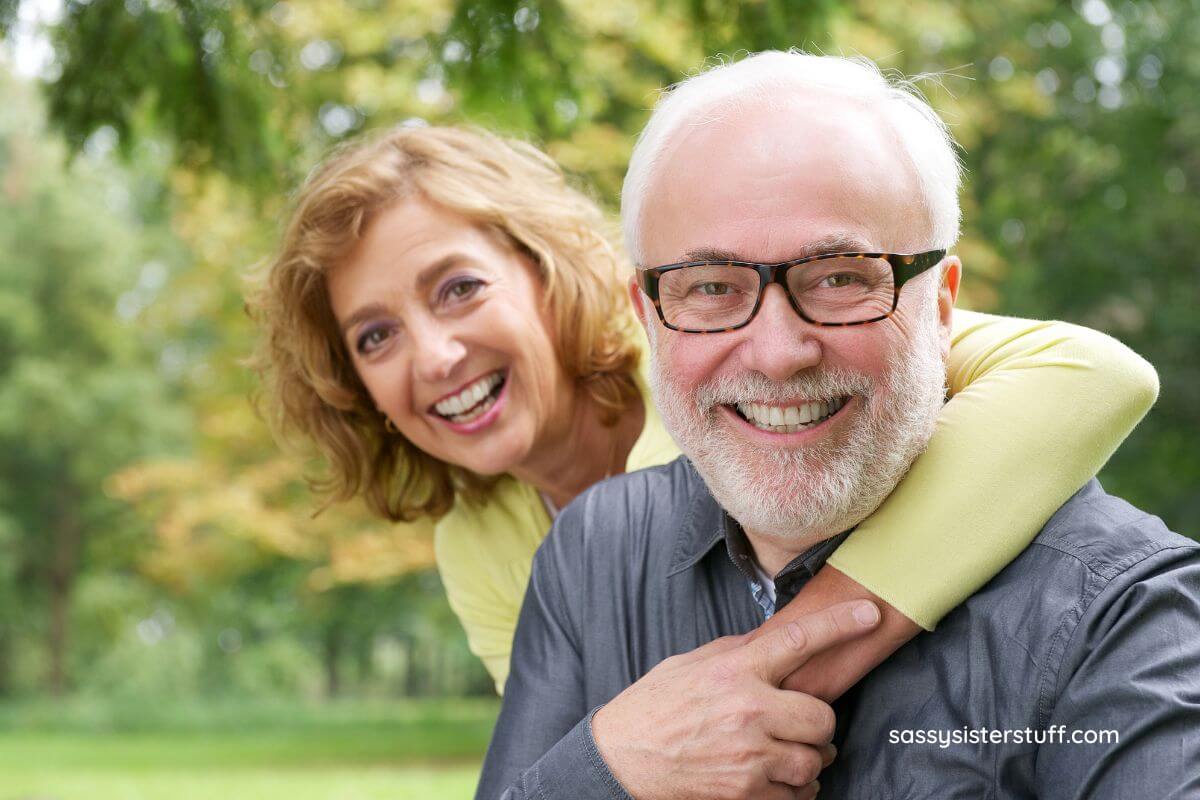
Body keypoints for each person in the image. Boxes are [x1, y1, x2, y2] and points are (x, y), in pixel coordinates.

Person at [475, 51, 1200, 799]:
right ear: (648, 318)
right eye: (713, 287)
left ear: (942, 307)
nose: (779, 354)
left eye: (840, 277)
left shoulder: (1128, 618)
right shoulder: (595, 550)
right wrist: (610, 771)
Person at [251, 122, 1157, 701]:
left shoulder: (723, 353)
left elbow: (1093, 372)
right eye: (374, 338)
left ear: (548, 270)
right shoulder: (480, 545)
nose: (433, 356)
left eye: (458, 289)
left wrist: (812, 641)